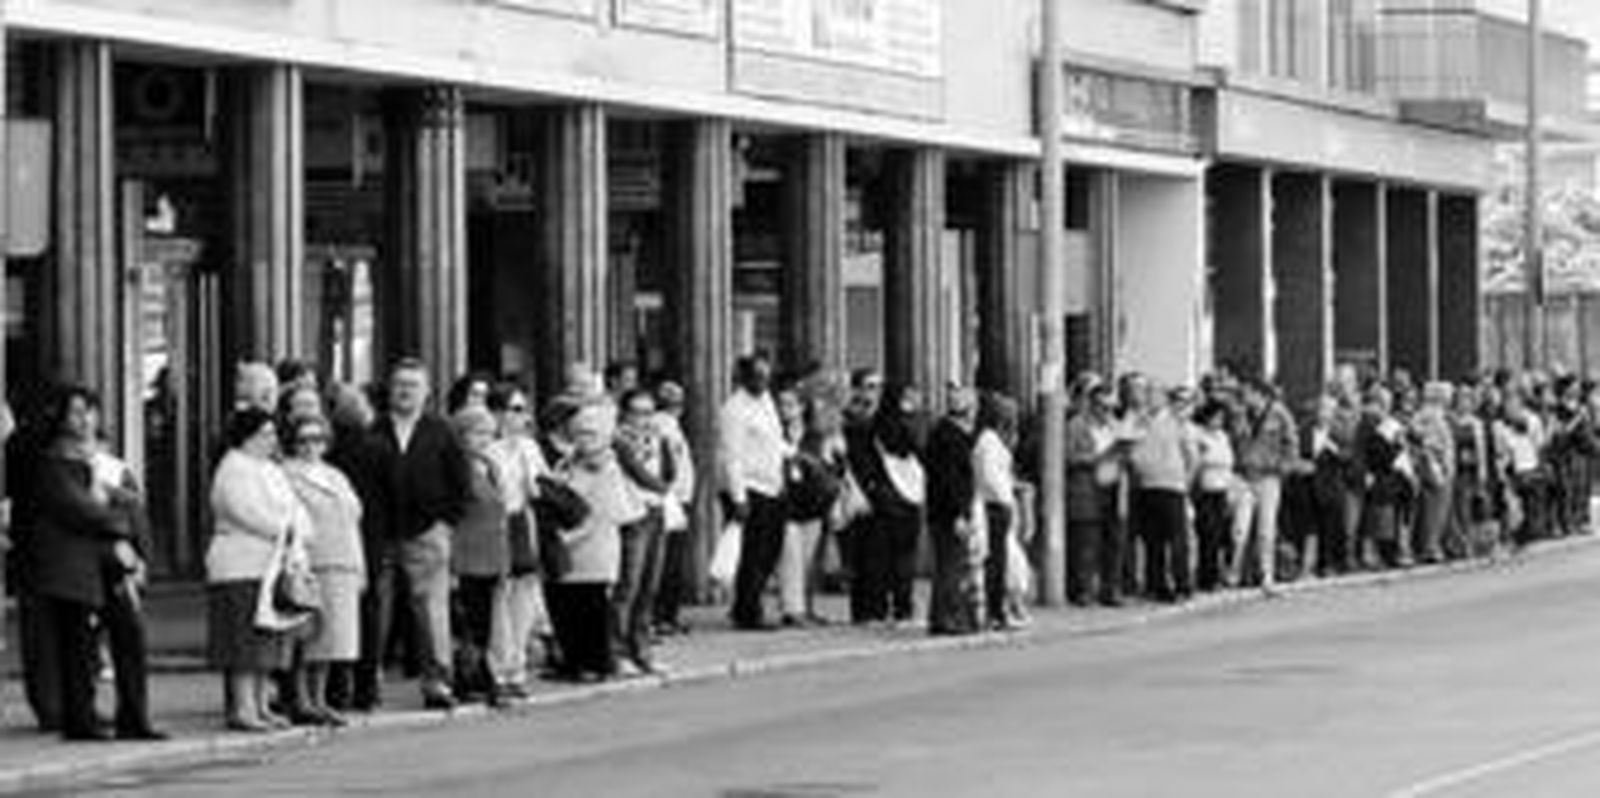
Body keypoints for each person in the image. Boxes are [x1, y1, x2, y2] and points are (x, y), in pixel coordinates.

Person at [16, 387, 162, 741]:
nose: (85, 421)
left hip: (111, 564)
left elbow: (127, 504)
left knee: (130, 637)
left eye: (90, 412)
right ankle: (80, 719)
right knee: (79, 648)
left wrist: (133, 542)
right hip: (75, 568)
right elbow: (82, 512)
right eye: (76, 413)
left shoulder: (100, 464)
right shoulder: (50, 463)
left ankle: (135, 716)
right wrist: (116, 519)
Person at [365, 358, 472, 710]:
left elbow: (461, 483)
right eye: (399, 384)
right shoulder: (374, 430)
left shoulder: (441, 431)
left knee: (430, 611)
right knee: (376, 610)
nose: (405, 390)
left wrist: (445, 523)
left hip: (427, 532)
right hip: (380, 534)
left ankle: (437, 683)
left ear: (427, 392)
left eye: (413, 385)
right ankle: (368, 681)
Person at [207, 407, 310, 732]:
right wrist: (286, 528)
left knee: (268, 640)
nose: (272, 439)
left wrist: (298, 529)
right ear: (247, 436)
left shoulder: (271, 469)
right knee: (243, 642)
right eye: (265, 433)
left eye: (273, 433)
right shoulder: (233, 467)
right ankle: (243, 707)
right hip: (241, 564)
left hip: (273, 564)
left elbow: (298, 509)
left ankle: (262, 704)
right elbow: (246, 512)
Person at [281, 413, 364, 727]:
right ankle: (301, 699)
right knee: (308, 636)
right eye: (303, 440)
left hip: (342, 560)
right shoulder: (286, 473)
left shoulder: (336, 476)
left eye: (317, 439)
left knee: (333, 638)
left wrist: (359, 566)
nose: (310, 447)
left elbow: (353, 521)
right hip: (312, 561)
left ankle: (321, 699)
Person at [545, 401, 634, 682]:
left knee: (591, 607)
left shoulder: (608, 467)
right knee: (565, 606)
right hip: (568, 549)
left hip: (593, 548)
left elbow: (602, 513)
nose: (584, 439)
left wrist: (565, 538)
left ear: (605, 436)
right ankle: (573, 661)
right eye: (580, 432)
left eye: (591, 433)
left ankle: (595, 663)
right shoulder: (568, 462)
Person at [484, 383, 551, 701]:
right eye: (516, 409)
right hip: (497, 525)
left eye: (524, 409)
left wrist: (534, 476)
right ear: (497, 413)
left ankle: (517, 668)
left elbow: (543, 485)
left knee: (524, 597)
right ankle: (499, 669)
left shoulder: (529, 448)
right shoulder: (487, 448)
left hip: (524, 522)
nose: (523, 417)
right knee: (500, 598)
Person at [718, 354, 790, 631]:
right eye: (757, 376)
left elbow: (774, 440)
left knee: (769, 551)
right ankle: (748, 612)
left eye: (766, 375)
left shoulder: (767, 401)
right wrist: (739, 498)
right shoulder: (734, 409)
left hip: (773, 486)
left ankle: (748, 603)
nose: (763, 381)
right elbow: (732, 456)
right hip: (749, 488)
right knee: (752, 554)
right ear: (744, 377)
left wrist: (792, 454)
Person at [850, 383, 926, 624]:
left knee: (877, 559)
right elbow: (918, 450)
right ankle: (903, 608)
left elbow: (863, 463)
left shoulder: (870, 428)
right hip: (909, 498)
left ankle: (875, 609)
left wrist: (872, 489)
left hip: (882, 499)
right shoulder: (910, 425)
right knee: (904, 559)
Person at [449, 405, 511, 702]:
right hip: (465, 555)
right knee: (469, 624)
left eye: (488, 432)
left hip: (491, 556)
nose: (483, 439)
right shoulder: (456, 467)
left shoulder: (489, 465)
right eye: (476, 432)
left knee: (485, 623)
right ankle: (470, 677)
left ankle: (482, 674)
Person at [611, 387, 673, 673]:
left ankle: (642, 648)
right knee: (628, 585)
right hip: (633, 514)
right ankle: (618, 650)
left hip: (655, 511)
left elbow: (670, 471)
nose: (645, 420)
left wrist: (665, 445)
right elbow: (640, 473)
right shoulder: (620, 441)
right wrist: (664, 488)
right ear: (624, 414)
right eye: (638, 413)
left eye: (649, 413)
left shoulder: (657, 439)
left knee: (650, 585)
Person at [1126, 379, 1196, 602]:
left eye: (1154, 394)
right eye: (1147, 393)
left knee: (1177, 539)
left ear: (1163, 398)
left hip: (1172, 486)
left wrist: (1186, 480)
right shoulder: (1139, 420)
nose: (1149, 397)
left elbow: (1191, 454)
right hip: (1147, 486)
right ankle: (1156, 585)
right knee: (1152, 540)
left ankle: (1182, 584)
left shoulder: (1176, 421)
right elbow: (1128, 447)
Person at [925, 385, 980, 636]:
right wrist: (959, 513)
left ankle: (946, 615)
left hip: (944, 509)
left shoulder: (946, 433)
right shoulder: (950, 437)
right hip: (949, 511)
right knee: (950, 565)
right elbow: (950, 480)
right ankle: (947, 616)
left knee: (950, 564)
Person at [1065, 379, 1126, 606]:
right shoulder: (1076, 425)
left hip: (1113, 487)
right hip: (1087, 488)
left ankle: (1111, 590)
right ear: (1091, 404)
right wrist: (1095, 460)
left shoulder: (1114, 426)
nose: (1107, 412)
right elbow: (1068, 456)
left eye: (1110, 407)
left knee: (1113, 541)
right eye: (1102, 406)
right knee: (1086, 542)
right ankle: (1082, 590)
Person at [651, 381, 696, 637]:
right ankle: (663, 615)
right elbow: (670, 465)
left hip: (678, 499)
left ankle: (668, 614)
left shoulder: (671, 425)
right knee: (669, 562)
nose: (679, 405)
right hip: (671, 500)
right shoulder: (663, 426)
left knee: (673, 561)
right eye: (675, 400)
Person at [974, 392, 1021, 628]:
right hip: (994, 505)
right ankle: (995, 611)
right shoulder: (988, 440)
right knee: (995, 561)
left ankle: (998, 608)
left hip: (998, 503)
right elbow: (990, 476)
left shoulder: (996, 439)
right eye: (1007, 412)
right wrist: (1005, 499)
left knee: (1000, 561)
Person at [1191, 400, 1237, 592]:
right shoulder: (1199, 436)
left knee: (1220, 535)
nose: (1219, 421)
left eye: (1221, 418)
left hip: (1222, 489)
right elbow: (1197, 462)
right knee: (1207, 534)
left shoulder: (1223, 436)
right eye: (1216, 417)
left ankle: (1215, 574)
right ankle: (1206, 577)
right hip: (1205, 489)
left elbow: (1229, 461)